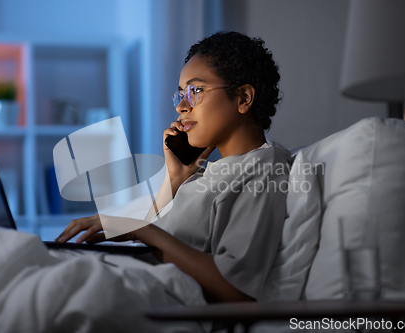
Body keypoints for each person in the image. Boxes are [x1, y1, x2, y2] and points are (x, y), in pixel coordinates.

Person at [55, 31, 290, 303]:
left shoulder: (264, 167)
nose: (181, 106)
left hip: (157, 301)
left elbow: (236, 289)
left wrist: (141, 230)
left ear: (243, 98)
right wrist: (175, 178)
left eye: (196, 91)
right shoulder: (205, 172)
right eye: (180, 95)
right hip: (133, 283)